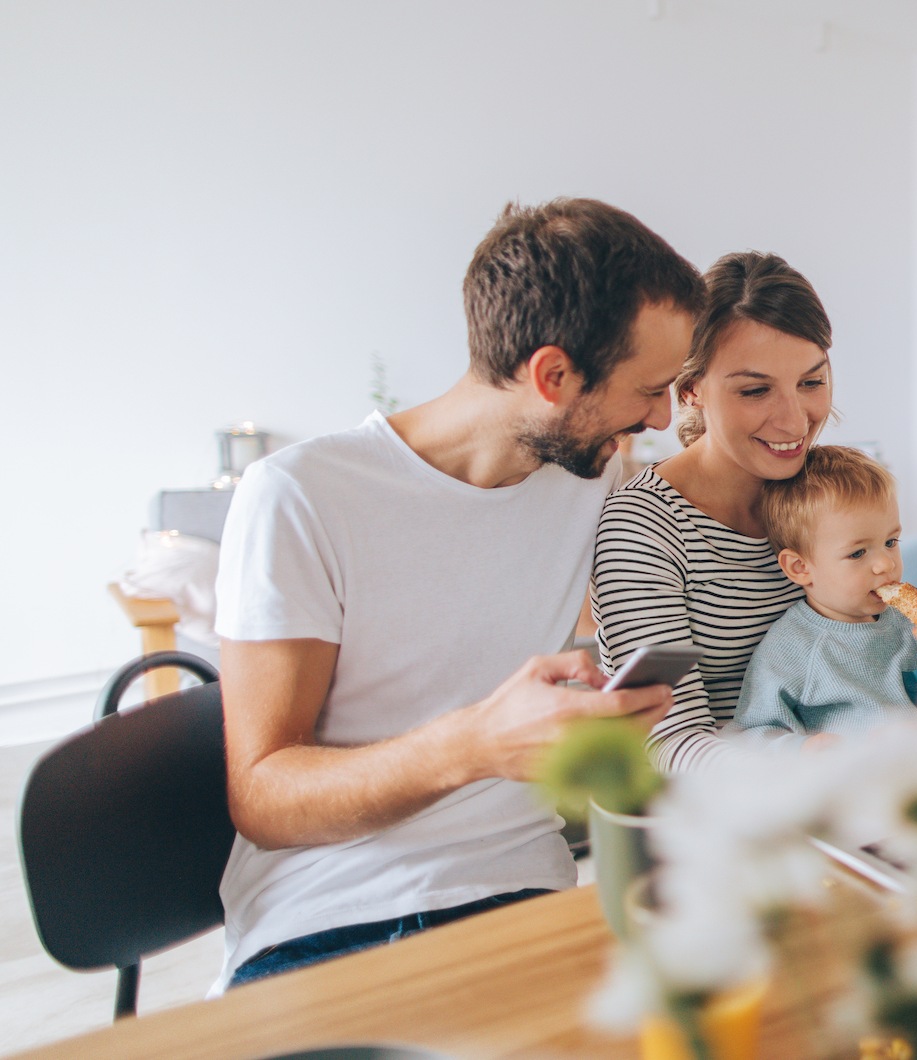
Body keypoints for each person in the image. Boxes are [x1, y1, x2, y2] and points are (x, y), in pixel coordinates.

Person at [213, 198, 705, 988]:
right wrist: (475, 745)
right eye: (649, 389)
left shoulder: (594, 478)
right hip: (332, 919)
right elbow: (263, 797)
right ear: (553, 376)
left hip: (526, 902)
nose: (660, 416)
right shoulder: (302, 495)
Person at [591, 251, 833, 773]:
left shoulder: (827, 493)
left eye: (811, 383)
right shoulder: (644, 528)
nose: (795, 422)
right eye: (755, 390)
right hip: (722, 815)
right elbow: (669, 742)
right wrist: (804, 767)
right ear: (692, 390)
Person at [731, 445, 917, 752]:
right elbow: (748, 735)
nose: (886, 564)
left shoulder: (907, 626)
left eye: (890, 542)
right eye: (857, 553)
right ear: (800, 567)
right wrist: (803, 750)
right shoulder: (792, 648)